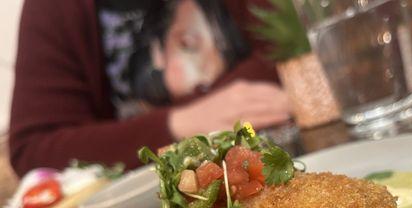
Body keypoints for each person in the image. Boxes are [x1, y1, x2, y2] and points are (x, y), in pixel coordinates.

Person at [9, 0, 290, 176]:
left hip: (273, 153)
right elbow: (34, 150)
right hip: (156, 204)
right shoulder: (52, 9)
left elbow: (293, 43)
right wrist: (177, 124)